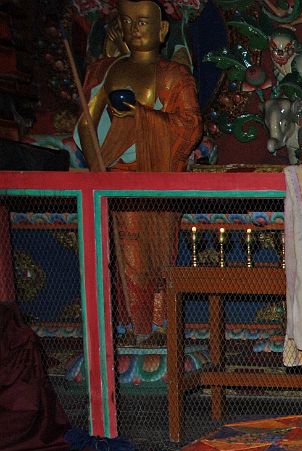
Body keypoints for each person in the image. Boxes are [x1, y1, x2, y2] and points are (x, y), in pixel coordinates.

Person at [77, 0, 200, 339]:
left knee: (158, 259)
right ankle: (133, 329)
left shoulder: (175, 75)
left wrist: (143, 118)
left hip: (157, 177)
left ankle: (162, 329)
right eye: (128, 22)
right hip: (115, 177)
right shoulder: (107, 71)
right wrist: (97, 168)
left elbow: (189, 126)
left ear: (162, 30)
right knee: (124, 258)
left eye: (144, 22)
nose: (136, 29)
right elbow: (86, 124)